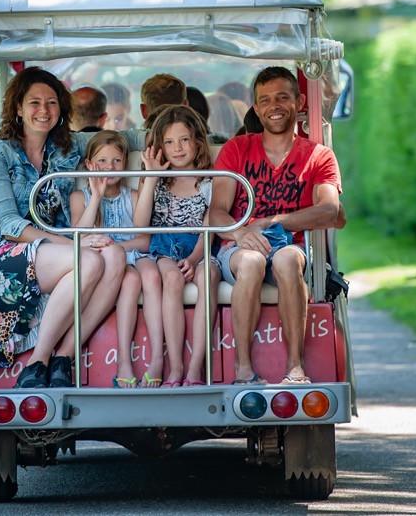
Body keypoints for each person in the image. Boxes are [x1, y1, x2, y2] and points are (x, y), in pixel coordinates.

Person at [0, 66, 126, 389]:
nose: (44, 110)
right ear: (18, 108)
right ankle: (37, 362)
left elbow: (123, 139)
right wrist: (73, 244)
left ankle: (63, 358)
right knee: (90, 259)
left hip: (54, 249)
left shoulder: (67, 148)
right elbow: (8, 224)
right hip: (3, 251)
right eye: (34, 103)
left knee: (115, 255)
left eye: (52, 103)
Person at [211, 66, 343, 386]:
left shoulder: (318, 155)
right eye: (265, 100)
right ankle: (243, 369)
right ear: (256, 109)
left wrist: (275, 221)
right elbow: (216, 212)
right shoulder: (237, 149)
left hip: (290, 244)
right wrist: (242, 232)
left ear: (299, 102)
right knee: (252, 262)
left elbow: (330, 210)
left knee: (287, 259)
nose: (274, 106)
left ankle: (295, 367)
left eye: (283, 97)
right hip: (241, 247)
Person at [133, 104, 222, 388]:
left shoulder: (209, 181)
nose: (178, 148)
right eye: (169, 142)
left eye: (184, 140)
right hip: (164, 249)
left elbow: (209, 228)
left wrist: (195, 259)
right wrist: (151, 176)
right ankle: (176, 366)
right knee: (172, 278)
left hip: (200, 247)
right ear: (160, 147)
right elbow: (140, 225)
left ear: (197, 142)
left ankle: (195, 367)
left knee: (209, 275)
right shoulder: (156, 181)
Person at [68, 131, 154, 389]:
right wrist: (96, 196)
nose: (110, 167)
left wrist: (117, 247)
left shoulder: (133, 196)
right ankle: (122, 361)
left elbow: (144, 241)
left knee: (131, 279)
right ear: (89, 165)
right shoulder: (79, 197)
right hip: (100, 264)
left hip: (130, 259)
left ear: (125, 162)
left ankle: (124, 360)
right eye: (102, 161)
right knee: (129, 278)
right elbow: (79, 236)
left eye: (117, 161)